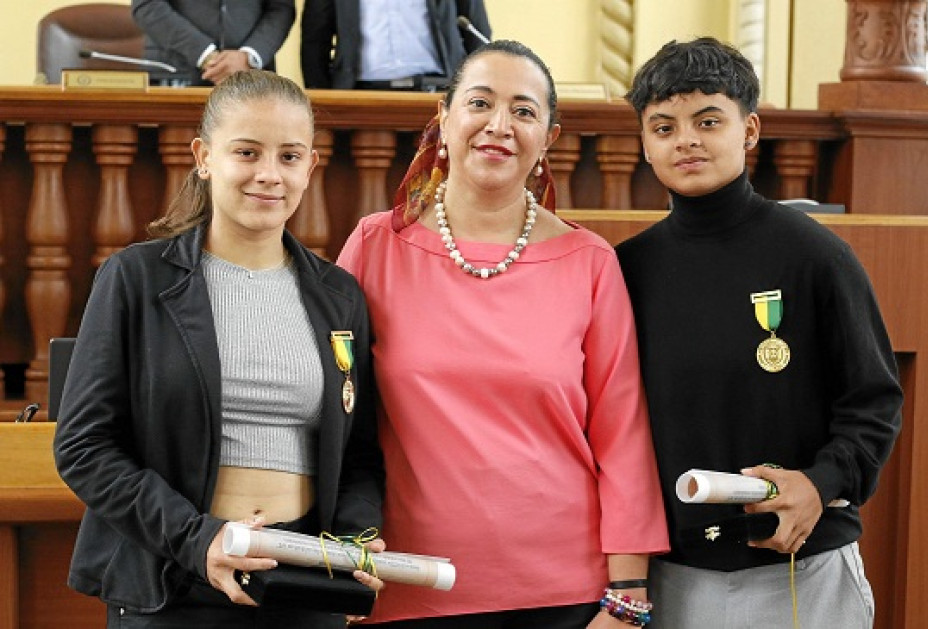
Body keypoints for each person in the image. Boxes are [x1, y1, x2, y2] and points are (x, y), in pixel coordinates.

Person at [337, 39, 669, 628]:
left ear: (550, 138)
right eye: (480, 103)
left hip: (562, 595)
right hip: (406, 582)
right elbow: (331, 412)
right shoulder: (374, 245)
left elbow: (622, 436)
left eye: (523, 111)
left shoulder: (590, 262)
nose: (499, 125)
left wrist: (628, 596)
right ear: (443, 117)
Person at [53, 69, 385, 628]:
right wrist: (198, 538)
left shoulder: (339, 296)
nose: (269, 175)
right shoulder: (135, 279)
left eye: (289, 156)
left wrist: (353, 541)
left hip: (303, 585)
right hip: (173, 577)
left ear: (310, 166)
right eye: (247, 152)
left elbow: (361, 454)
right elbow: (84, 447)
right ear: (204, 157)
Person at [615, 38, 903, 628]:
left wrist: (820, 485)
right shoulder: (625, 271)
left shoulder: (815, 255)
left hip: (804, 567)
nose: (686, 139)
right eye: (664, 127)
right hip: (673, 575)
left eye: (708, 120)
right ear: (645, 144)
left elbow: (873, 404)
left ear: (749, 131)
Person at [300, 0, 491, 91]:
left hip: (437, 92)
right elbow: (315, 39)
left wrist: (475, 91)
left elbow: (475, 32)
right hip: (360, 95)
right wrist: (325, 101)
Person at [131, 0, 295, 86]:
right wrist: (207, 56)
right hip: (175, 74)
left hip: (252, 77)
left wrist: (248, 57)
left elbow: (281, 8)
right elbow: (147, 5)